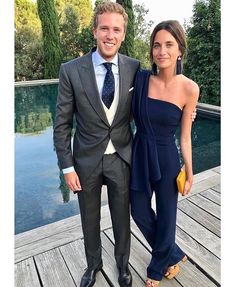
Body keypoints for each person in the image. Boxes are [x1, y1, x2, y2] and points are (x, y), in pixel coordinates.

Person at [53, 2, 140, 287]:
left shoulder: (134, 68)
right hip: (85, 161)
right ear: (94, 31)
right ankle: (93, 265)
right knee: (89, 219)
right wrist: (67, 167)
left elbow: (148, 106)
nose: (110, 35)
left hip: (121, 158)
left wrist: (185, 108)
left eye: (116, 29)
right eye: (104, 28)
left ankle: (122, 266)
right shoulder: (70, 70)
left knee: (121, 219)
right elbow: (62, 124)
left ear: (123, 34)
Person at [130, 20, 200, 287]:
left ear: (179, 49)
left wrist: (189, 170)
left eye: (169, 45)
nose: (162, 51)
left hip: (167, 158)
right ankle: (173, 252)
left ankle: (158, 266)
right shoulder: (141, 79)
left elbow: (184, 136)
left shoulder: (190, 88)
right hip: (140, 153)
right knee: (138, 210)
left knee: (168, 216)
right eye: (157, 45)